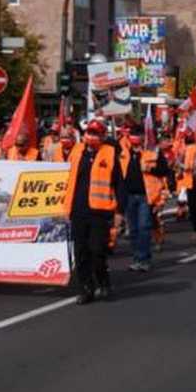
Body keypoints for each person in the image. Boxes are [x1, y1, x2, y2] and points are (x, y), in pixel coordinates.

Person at [64, 120, 123, 304]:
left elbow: (119, 184)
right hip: (77, 210)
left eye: (96, 133)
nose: (91, 136)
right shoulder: (76, 151)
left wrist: (120, 211)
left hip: (100, 211)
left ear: (103, 136)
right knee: (81, 253)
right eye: (89, 132)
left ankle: (103, 281)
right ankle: (86, 289)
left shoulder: (110, 153)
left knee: (97, 251)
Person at [119, 132, 156, 271]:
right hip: (128, 196)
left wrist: (150, 168)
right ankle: (136, 259)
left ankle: (144, 259)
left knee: (144, 228)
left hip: (145, 195)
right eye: (132, 135)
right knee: (133, 230)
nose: (134, 138)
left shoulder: (150, 152)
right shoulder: (124, 154)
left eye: (137, 134)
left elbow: (163, 169)